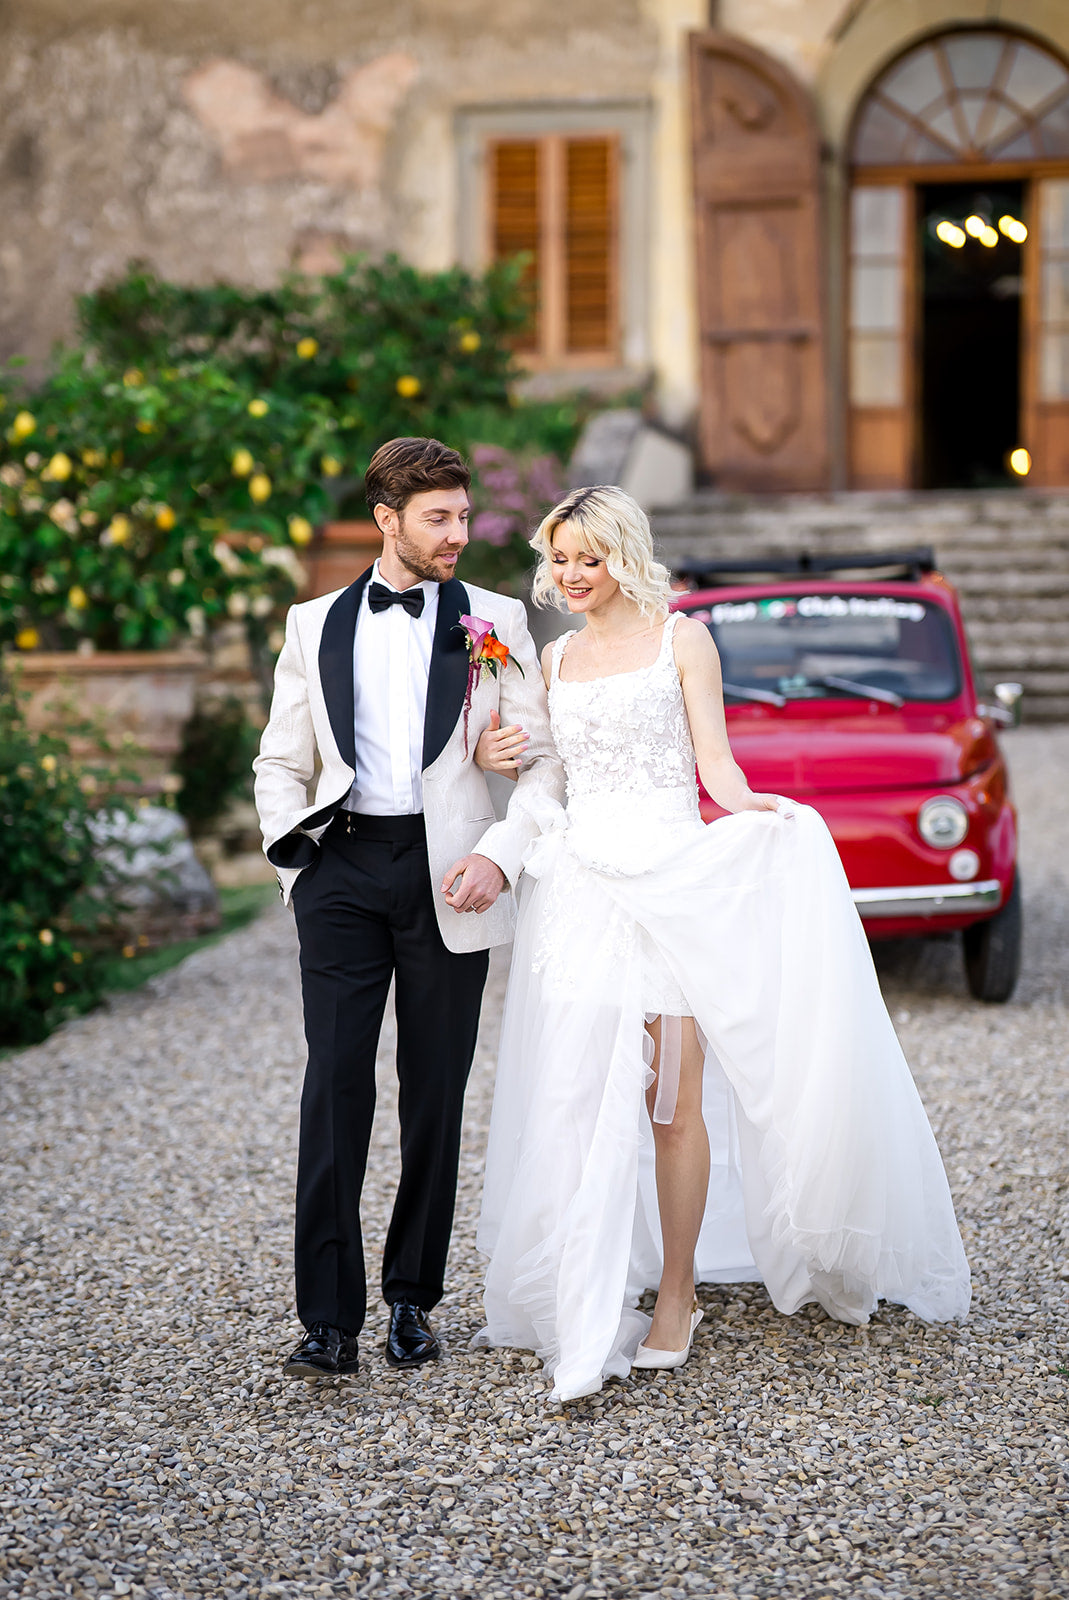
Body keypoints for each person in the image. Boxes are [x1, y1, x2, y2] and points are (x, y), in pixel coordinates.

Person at [473, 485, 971, 1402]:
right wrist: (503, 778)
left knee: (671, 1105)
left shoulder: (683, 639)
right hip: (582, 896)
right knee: (576, 1097)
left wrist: (761, 813)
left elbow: (717, 767)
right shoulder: (553, 657)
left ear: (625, 555)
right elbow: (550, 777)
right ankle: (586, 1286)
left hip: (672, 889)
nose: (572, 575)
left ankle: (678, 1292)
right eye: (560, 559)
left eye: (589, 558)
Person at [253, 436, 562, 1380]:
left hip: (451, 873)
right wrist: (296, 866)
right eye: (438, 518)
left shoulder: (496, 620)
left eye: (463, 515)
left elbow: (544, 760)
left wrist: (499, 856)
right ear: (386, 520)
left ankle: (411, 1301)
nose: (457, 533)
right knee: (334, 1087)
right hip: (341, 870)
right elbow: (280, 759)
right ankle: (326, 1321)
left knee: (434, 1091)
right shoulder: (313, 623)